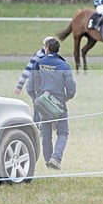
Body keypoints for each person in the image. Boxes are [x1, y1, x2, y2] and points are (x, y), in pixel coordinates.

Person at [26, 38, 76, 170]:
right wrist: (66, 98)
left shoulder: (38, 64)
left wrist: (37, 99)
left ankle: (49, 161)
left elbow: (30, 87)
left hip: (43, 105)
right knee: (63, 133)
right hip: (59, 105)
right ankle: (56, 158)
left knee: (46, 135)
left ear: (47, 49)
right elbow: (71, 89)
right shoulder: (64, 66)